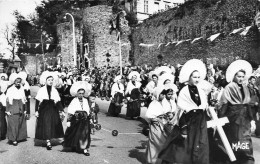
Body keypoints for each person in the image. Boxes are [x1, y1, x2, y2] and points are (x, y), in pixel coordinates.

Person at [159, 59, 209, 164]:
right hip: (189, 121)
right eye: (194, 77)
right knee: (184, 147)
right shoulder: (184, 91)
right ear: (189, 77)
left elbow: (203, 106)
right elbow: (181, 111)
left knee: (200, 146)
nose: (197, 79)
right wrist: (184, 128)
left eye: (198, 77)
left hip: (200, 122)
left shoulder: (201, 91)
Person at [218, 60, 255, 164]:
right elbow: (224, 104)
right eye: (239, 76)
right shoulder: (228, 88)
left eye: (243, 76)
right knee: (234, 140)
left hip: (245, 119)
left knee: (245, 141)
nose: (241, 79)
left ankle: (247, 160)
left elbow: (247, 105)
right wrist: (220, 119)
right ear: (234, 76)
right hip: (233, 118)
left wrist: (252, 120)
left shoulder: (246, 88)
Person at [35, 71, 65, 150]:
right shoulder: (41, 90)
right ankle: (48, 141)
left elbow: (58, 101)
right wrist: (36, 111)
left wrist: (62, 110)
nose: (51, 81)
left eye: (52, 80)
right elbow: (37, 101)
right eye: (49, 80)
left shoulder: (54, 90)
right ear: (45, 81)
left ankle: (59, 139)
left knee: (55, 123)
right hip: (44, 108)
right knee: (46, 124)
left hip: (53, 108)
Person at [63, 81, 91, 156]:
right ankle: (74, 145)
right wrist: (68, 120)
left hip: (84, 119)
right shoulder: (74, 101)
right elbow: (70, 111)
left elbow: (88, 110)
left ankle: (84, 148)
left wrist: (90, 118)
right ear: (77, 93)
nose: (81, 95)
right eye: (80, 93)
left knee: (85, 134)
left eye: (82, 93)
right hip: (76, 119)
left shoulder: (85, 100)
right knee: (74, 133)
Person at [145, 86, 168, 164]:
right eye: (161, 94)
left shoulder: (165, 102)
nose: (163, 96)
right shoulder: (153, 103)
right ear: (158, 94)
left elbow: (168, 111)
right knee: (156, 143)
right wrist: (156, 119)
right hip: (156, 126)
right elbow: (148, 115)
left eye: (164, 94)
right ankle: (153, 160)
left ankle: (161, 160)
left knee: (164, 142)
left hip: (164, 124)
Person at [5, 73, 29, 146]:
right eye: (17, 81)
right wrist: (8, 110)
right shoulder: (10, 89)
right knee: (13, 122)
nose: (18, 82)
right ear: (14, 81)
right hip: (13, 105)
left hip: (21, 105)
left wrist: (25, 109)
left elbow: (24, 99)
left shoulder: (22, 88)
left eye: (19, 81)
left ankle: (20, 137)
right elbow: (8, 100)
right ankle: (13, 138)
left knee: (21, 121)